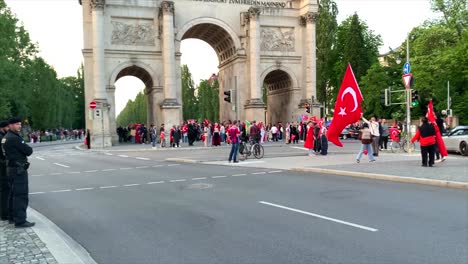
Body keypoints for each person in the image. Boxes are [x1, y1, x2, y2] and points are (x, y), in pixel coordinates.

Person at [2, 118, 34, 228]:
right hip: (18, 170)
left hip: (11, 169)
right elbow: (28, 151)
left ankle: (12, 217)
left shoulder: (6, 138)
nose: (19, 126)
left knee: (12, 194)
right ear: (10, 125)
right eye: (17, 124)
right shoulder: (14, 138)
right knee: (21, 195)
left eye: (20, 124)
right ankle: (20, 220)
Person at [0, 121, 11, 222]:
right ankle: (4, 213)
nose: (9, 129)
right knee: (5, 191)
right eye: (7, 127)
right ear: (2, 128)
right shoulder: (2, 138)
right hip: (2, 168)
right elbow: (3, 153)